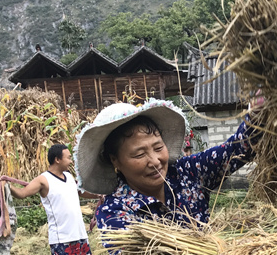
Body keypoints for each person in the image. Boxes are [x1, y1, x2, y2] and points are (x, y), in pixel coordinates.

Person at [74, 100, 257, 243]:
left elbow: (239, 149)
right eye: (139, 154)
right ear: (115, 161)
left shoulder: (187, 172)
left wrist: (258, 112)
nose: (155, 161)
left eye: (158, 147)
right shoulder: (114, 212)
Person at [5, 144, 97, 255]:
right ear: (57, 159)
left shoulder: (69, 177)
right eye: (68, 157)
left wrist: (98, 195)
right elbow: (22, 194)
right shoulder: (43, 180)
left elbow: (80, 192)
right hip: (61, 238)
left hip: (79, 234)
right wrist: (6, 187)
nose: (71, 161)